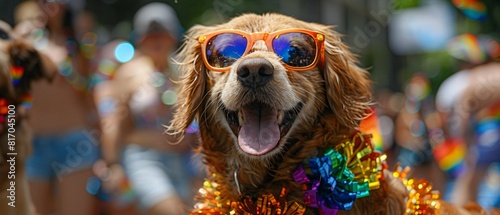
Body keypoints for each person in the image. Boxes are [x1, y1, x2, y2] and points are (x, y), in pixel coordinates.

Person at [97, 3, 199, 215]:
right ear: (139, 39)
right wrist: (112, 164)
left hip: (186, 162)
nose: (156, 40)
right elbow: (115, 123)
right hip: (145, 159)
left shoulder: (185, 72)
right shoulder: (129, 73)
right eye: (149, 36)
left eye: (162, 34)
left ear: (173, 36)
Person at [15, 1, 100, 214]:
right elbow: (13, 85)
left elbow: (88, 92)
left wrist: (104, 149)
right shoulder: (25, 39)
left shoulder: (79, 43)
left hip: (74, 142)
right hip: (33, 143)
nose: (48, 5)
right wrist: (17, 42)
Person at [436, 33, 500, 209]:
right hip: (487, 135)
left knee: (468, 182)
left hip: (484, 135)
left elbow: (458, 121)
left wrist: (461, 141)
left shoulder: (468, 80)